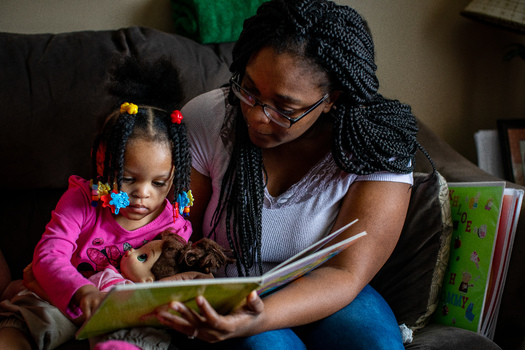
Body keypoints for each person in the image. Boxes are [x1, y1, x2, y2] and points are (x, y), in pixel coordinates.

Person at [149, 0, 433, 349]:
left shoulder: (376, 144)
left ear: (332, 99)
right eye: (248, 90)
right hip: (226, 289)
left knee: (374, 344)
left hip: (326, 287)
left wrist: (262, 314)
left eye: (285, 109)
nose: (255, 117)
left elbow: (346, 272)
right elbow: (174, 234)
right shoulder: (209, 118)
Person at [0, 55, 193, 350]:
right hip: (62, 300)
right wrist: (82, 292)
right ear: (103, 162)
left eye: (158, 183)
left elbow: (173, 277)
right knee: (22, 324)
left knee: (135, 339)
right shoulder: (81, 201)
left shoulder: (174, 225)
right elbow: (49, 256)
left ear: (174, 176)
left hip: (125, 312)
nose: (143, 194)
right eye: (128, 179)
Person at [89, 230, 234, 350]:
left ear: (148, 281)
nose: (131, 250)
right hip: (107, 327)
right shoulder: (108, 274)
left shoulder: (148, 295)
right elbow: (86, 291)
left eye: (142, 257)